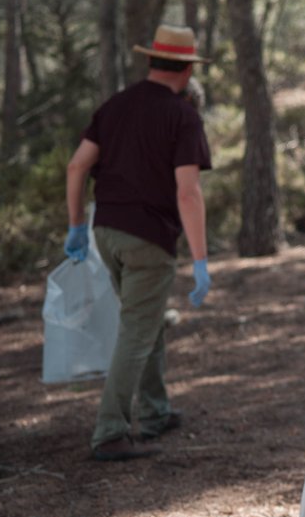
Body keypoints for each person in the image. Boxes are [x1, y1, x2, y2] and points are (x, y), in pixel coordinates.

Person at [64, 23, 214, 462]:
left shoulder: (114, 106)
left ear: (151, 61)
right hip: (148, 238)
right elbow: (188, 192)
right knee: (136, 331)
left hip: (104, 231)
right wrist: (201, 260)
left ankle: (155, 411)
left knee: (143, 321)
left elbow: (77, 168)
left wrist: (76, 224)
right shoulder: (181, 115)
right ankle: (109, 432)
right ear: (187, 70)